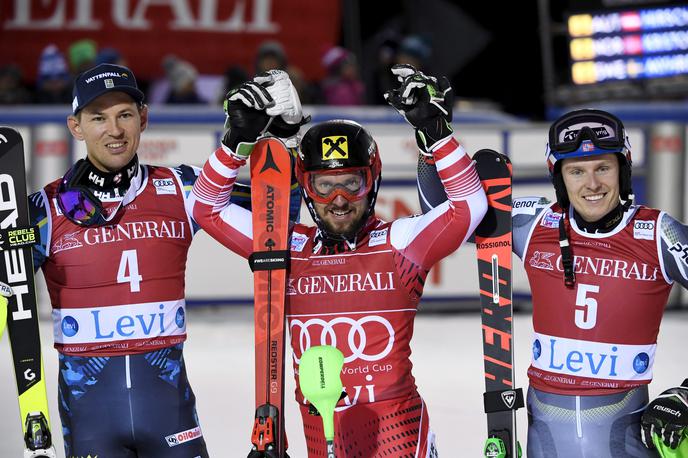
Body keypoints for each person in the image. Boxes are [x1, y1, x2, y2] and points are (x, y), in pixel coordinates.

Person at [187, 67, 487, 455]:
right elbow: (204, 207)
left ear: (373, 181)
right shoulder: (285, 247)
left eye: (352, 182)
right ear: (307, 190)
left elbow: (468, 206)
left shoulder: (399, 242)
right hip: (321, 437)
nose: (339, 199)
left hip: (398, 438)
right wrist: (235, 144)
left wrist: (435, 133)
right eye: (324, 186)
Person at [28, 63, 299, 457]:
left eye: (124, 115)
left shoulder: (182, 188)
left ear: (143, 118)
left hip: (173, 424)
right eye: (98, 118)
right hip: (91, 429)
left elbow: (274, 222)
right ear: (76, 127)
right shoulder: (45, 209)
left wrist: (286, 137)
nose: (115, 130)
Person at [417, 107, 688, 456]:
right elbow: (443, 213)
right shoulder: (533, 223)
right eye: (576, 171)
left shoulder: (659, 234)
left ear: (623, 169)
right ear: (559, 177)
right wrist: (432, 143)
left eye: (603, 168)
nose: (592, 184)